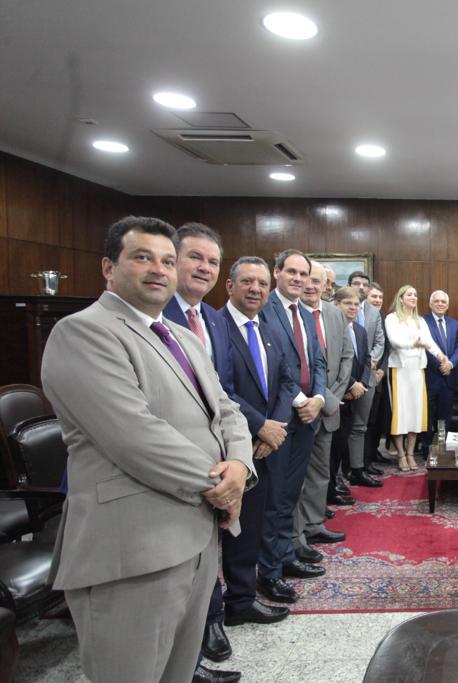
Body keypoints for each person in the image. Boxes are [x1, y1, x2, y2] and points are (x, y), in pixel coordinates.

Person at [41, 216, 253, 683]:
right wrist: (221, 485)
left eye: (167, 261)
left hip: (197, 538)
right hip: (133, 548)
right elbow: (134, 436)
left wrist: (239, 464)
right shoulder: (84, 332)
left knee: (177, 671)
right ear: (108, 267)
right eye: (142, 257)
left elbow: (227, 410)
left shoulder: (180, 336)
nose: (158, 270)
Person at [159, 223, 241, 680]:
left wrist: (237, 463)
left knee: (202, 564)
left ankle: (193, 656)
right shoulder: (148, 318)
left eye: (211, 260)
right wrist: (216, 476)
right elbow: (140, 427)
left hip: (217, 467)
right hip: (166, 478)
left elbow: (223, 398)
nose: (203, 268)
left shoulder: (206, 321)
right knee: (171, 582)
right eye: (193, 257)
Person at [217, 257, 295, 632]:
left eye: (262, 284)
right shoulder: (215, 327)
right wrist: (260, 425)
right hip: (231, 445)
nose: (256, 289)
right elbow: (220, 388)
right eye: (247, 282)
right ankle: (222, 606)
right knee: (229, 527)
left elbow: (286, 381)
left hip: (268, 441)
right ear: (229, 286)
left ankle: (242, 598)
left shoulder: (268, 329)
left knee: (255, 521)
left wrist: (274, 426)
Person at [257, 249, 330, 604]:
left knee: (290, 493)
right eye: (292, 273)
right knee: (272, 497)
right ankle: (268, 571)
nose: (299, 279)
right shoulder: (264, 309)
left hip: (308, 418)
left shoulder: (305, 313)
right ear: (277, 272)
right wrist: (300, 402)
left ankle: (285, 556)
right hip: (280, 417)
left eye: (304, 274)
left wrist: (318, 397)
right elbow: (277, 363)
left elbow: (317, 359)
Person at [293, 262, 354, 565]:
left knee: (320, 471)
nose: (312, 286)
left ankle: (314, 524)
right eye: (307, 279)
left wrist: (332, 398)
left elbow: (346, 356)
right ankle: (295, 535)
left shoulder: (334, 314)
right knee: (295, 477)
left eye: (318, 281)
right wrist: (318, 398)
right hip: (299, 408)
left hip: (329, 406)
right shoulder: (289, 315)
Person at [385, 285, 449, 470]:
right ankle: (401, 454)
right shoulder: (392, 318)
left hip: (417, 371)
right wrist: (413, 343)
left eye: (415, 294)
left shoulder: (419, 320)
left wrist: (440, 355)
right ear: (401, 298)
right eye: (409, 294)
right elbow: (394, 341)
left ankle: (411, 454)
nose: (414, 297)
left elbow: (429, 342)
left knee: (414, 413)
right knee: (401, 414)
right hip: (399, 370)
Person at [333, 286, 378, 487]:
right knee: (337, 437)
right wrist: (351, 384)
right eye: (347, 303)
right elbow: (333, 362)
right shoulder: (331, 328)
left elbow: (367, 358)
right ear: (336, 304)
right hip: (340, 392)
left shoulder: (359, 330)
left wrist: (362, 383)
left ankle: (357, 471)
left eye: (356, 305)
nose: (353, 308)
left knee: (358, 428)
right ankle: (335, 479)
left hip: (361, 387)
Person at [348, 271, 386, 472]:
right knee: (340, 428)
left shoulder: (373, 312)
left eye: (364, 284)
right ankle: (340, 471)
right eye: (356, 283)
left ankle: (358, 468)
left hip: (368, 375)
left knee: (361, 426)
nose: (361, 287)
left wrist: (371, 359)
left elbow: (380, 341)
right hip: (345, 377)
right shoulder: (338, 309)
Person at [423, 290, 458, 445]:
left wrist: (450, 364)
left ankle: (443, 448)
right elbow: (424, 348)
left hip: (448, 377)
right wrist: (440, 364)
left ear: (448, 305)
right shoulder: (422, 321)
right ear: (431, 304)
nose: (440, 304)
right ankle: (426, 448)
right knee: (427, 416)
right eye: (436, 301)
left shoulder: (454, 323)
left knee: (445, 416)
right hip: (430, 376)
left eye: (443, 302)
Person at [363, 281, 392, 464]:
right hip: (365, 375)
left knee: (376, 420)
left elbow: (387, 347)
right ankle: (363, 460)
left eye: (380, 297)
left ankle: (372, 454)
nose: (377, 300)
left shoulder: (382, 316)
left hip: (380, 375)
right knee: (364, 421)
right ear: (366, 298)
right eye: (374, 296)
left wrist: (382, 369)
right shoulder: (363, 316)